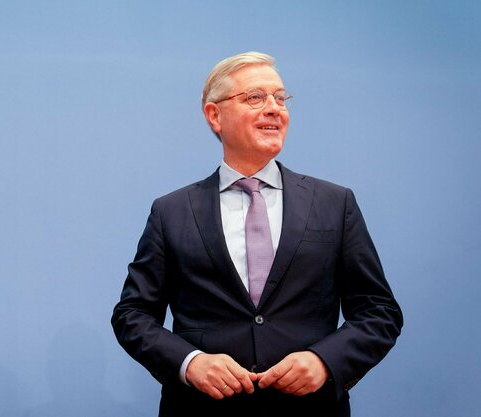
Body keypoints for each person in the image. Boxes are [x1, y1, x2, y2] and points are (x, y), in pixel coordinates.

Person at [111, 51, 402, 416]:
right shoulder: (172, 211)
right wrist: (190, 363)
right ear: (214, 115)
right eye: (255, 97)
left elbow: (379, 312)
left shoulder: (334, 203)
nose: (274, 108)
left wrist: (325, 362)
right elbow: (132, 314)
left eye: (280, 98)